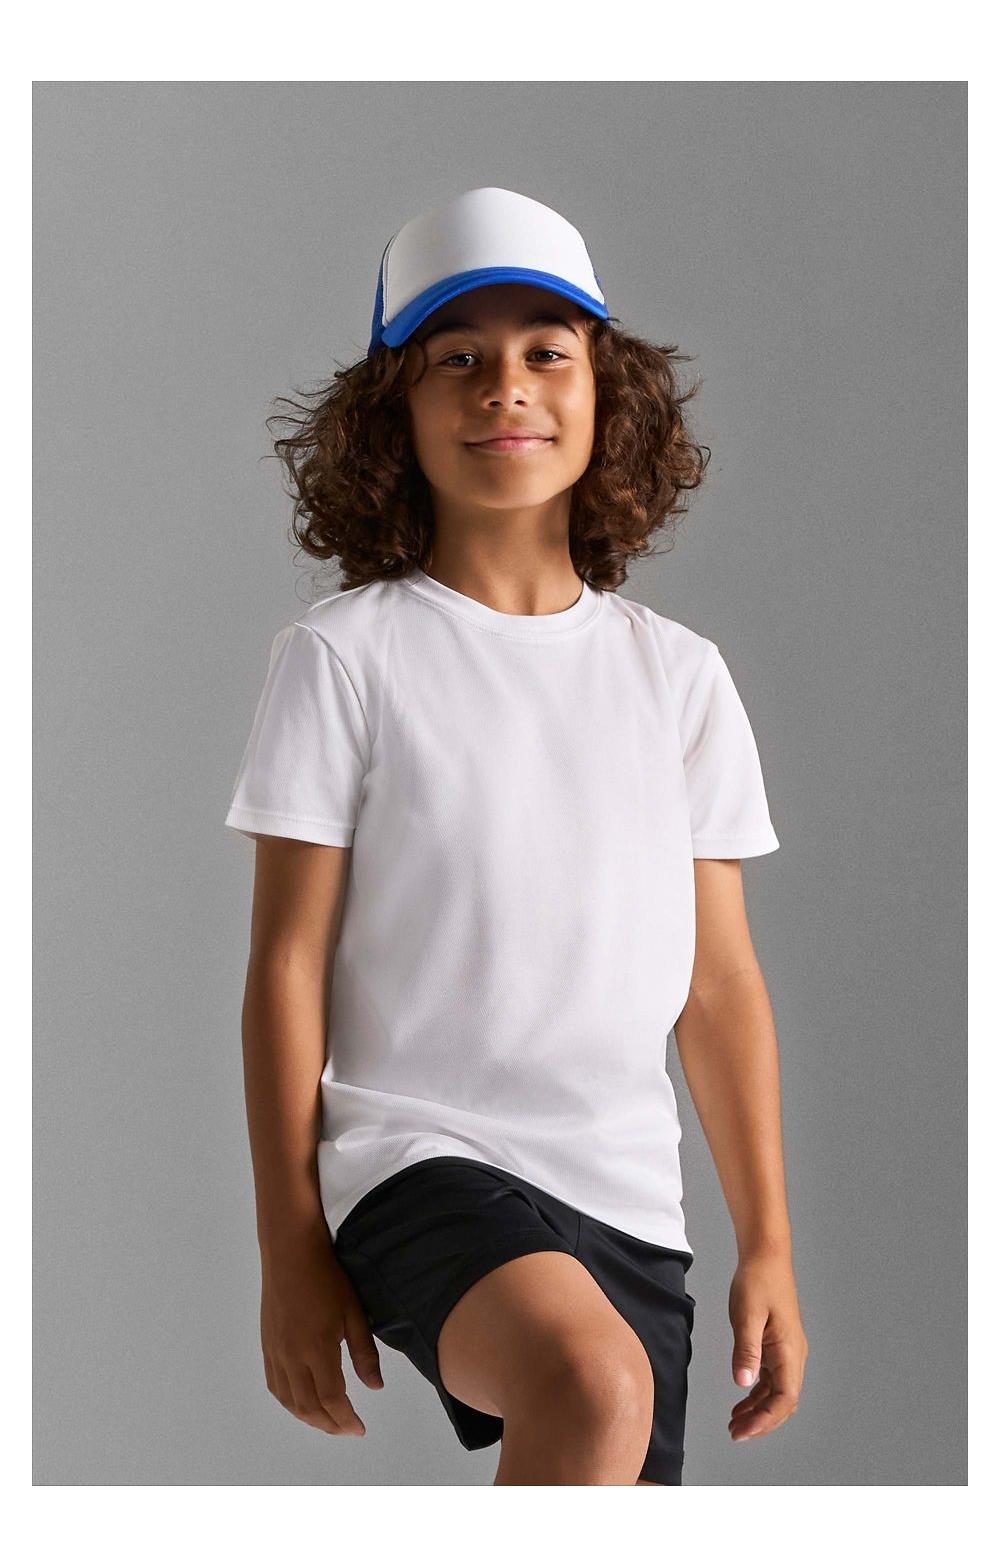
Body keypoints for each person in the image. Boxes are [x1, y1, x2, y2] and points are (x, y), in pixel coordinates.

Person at [224, 186, 808, 1486]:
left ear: (608, 397)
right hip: (420, 1158)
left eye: (548, 352)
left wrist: (766, 1238)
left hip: (631, 1200)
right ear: (395, 411)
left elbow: (718, 984)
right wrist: (288, 1246)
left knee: (604, 1443)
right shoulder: (344, 657)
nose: (507, 388)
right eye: (458, 358)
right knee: (591, 1382)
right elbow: (288, 966)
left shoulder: (680, 677)